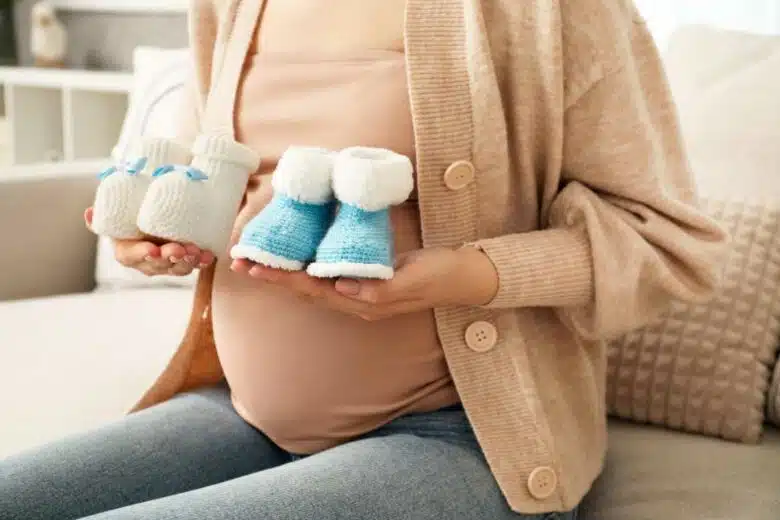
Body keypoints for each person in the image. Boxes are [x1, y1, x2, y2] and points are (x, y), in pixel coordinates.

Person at [0, 0, 728, 519]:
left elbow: (666, 244)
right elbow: (237, 175)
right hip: (248, 412)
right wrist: (165, 231)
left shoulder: (554, 11)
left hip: (459, 438)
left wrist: (466, 277)